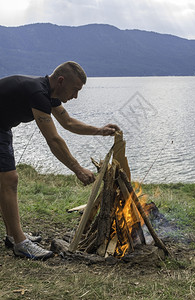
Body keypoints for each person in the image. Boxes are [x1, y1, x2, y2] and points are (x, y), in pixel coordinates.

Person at [0, 61, 120, 260]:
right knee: (10, 179)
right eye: (75, 90)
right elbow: (53, 140)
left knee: (6, 181)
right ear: (61, 81)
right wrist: (78, 169)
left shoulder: (49, 93)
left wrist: (99, 131)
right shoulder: (38, 93)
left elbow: (68, 122)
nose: (75, 96)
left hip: (2, 128)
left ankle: (13, 236)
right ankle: (21, 244)